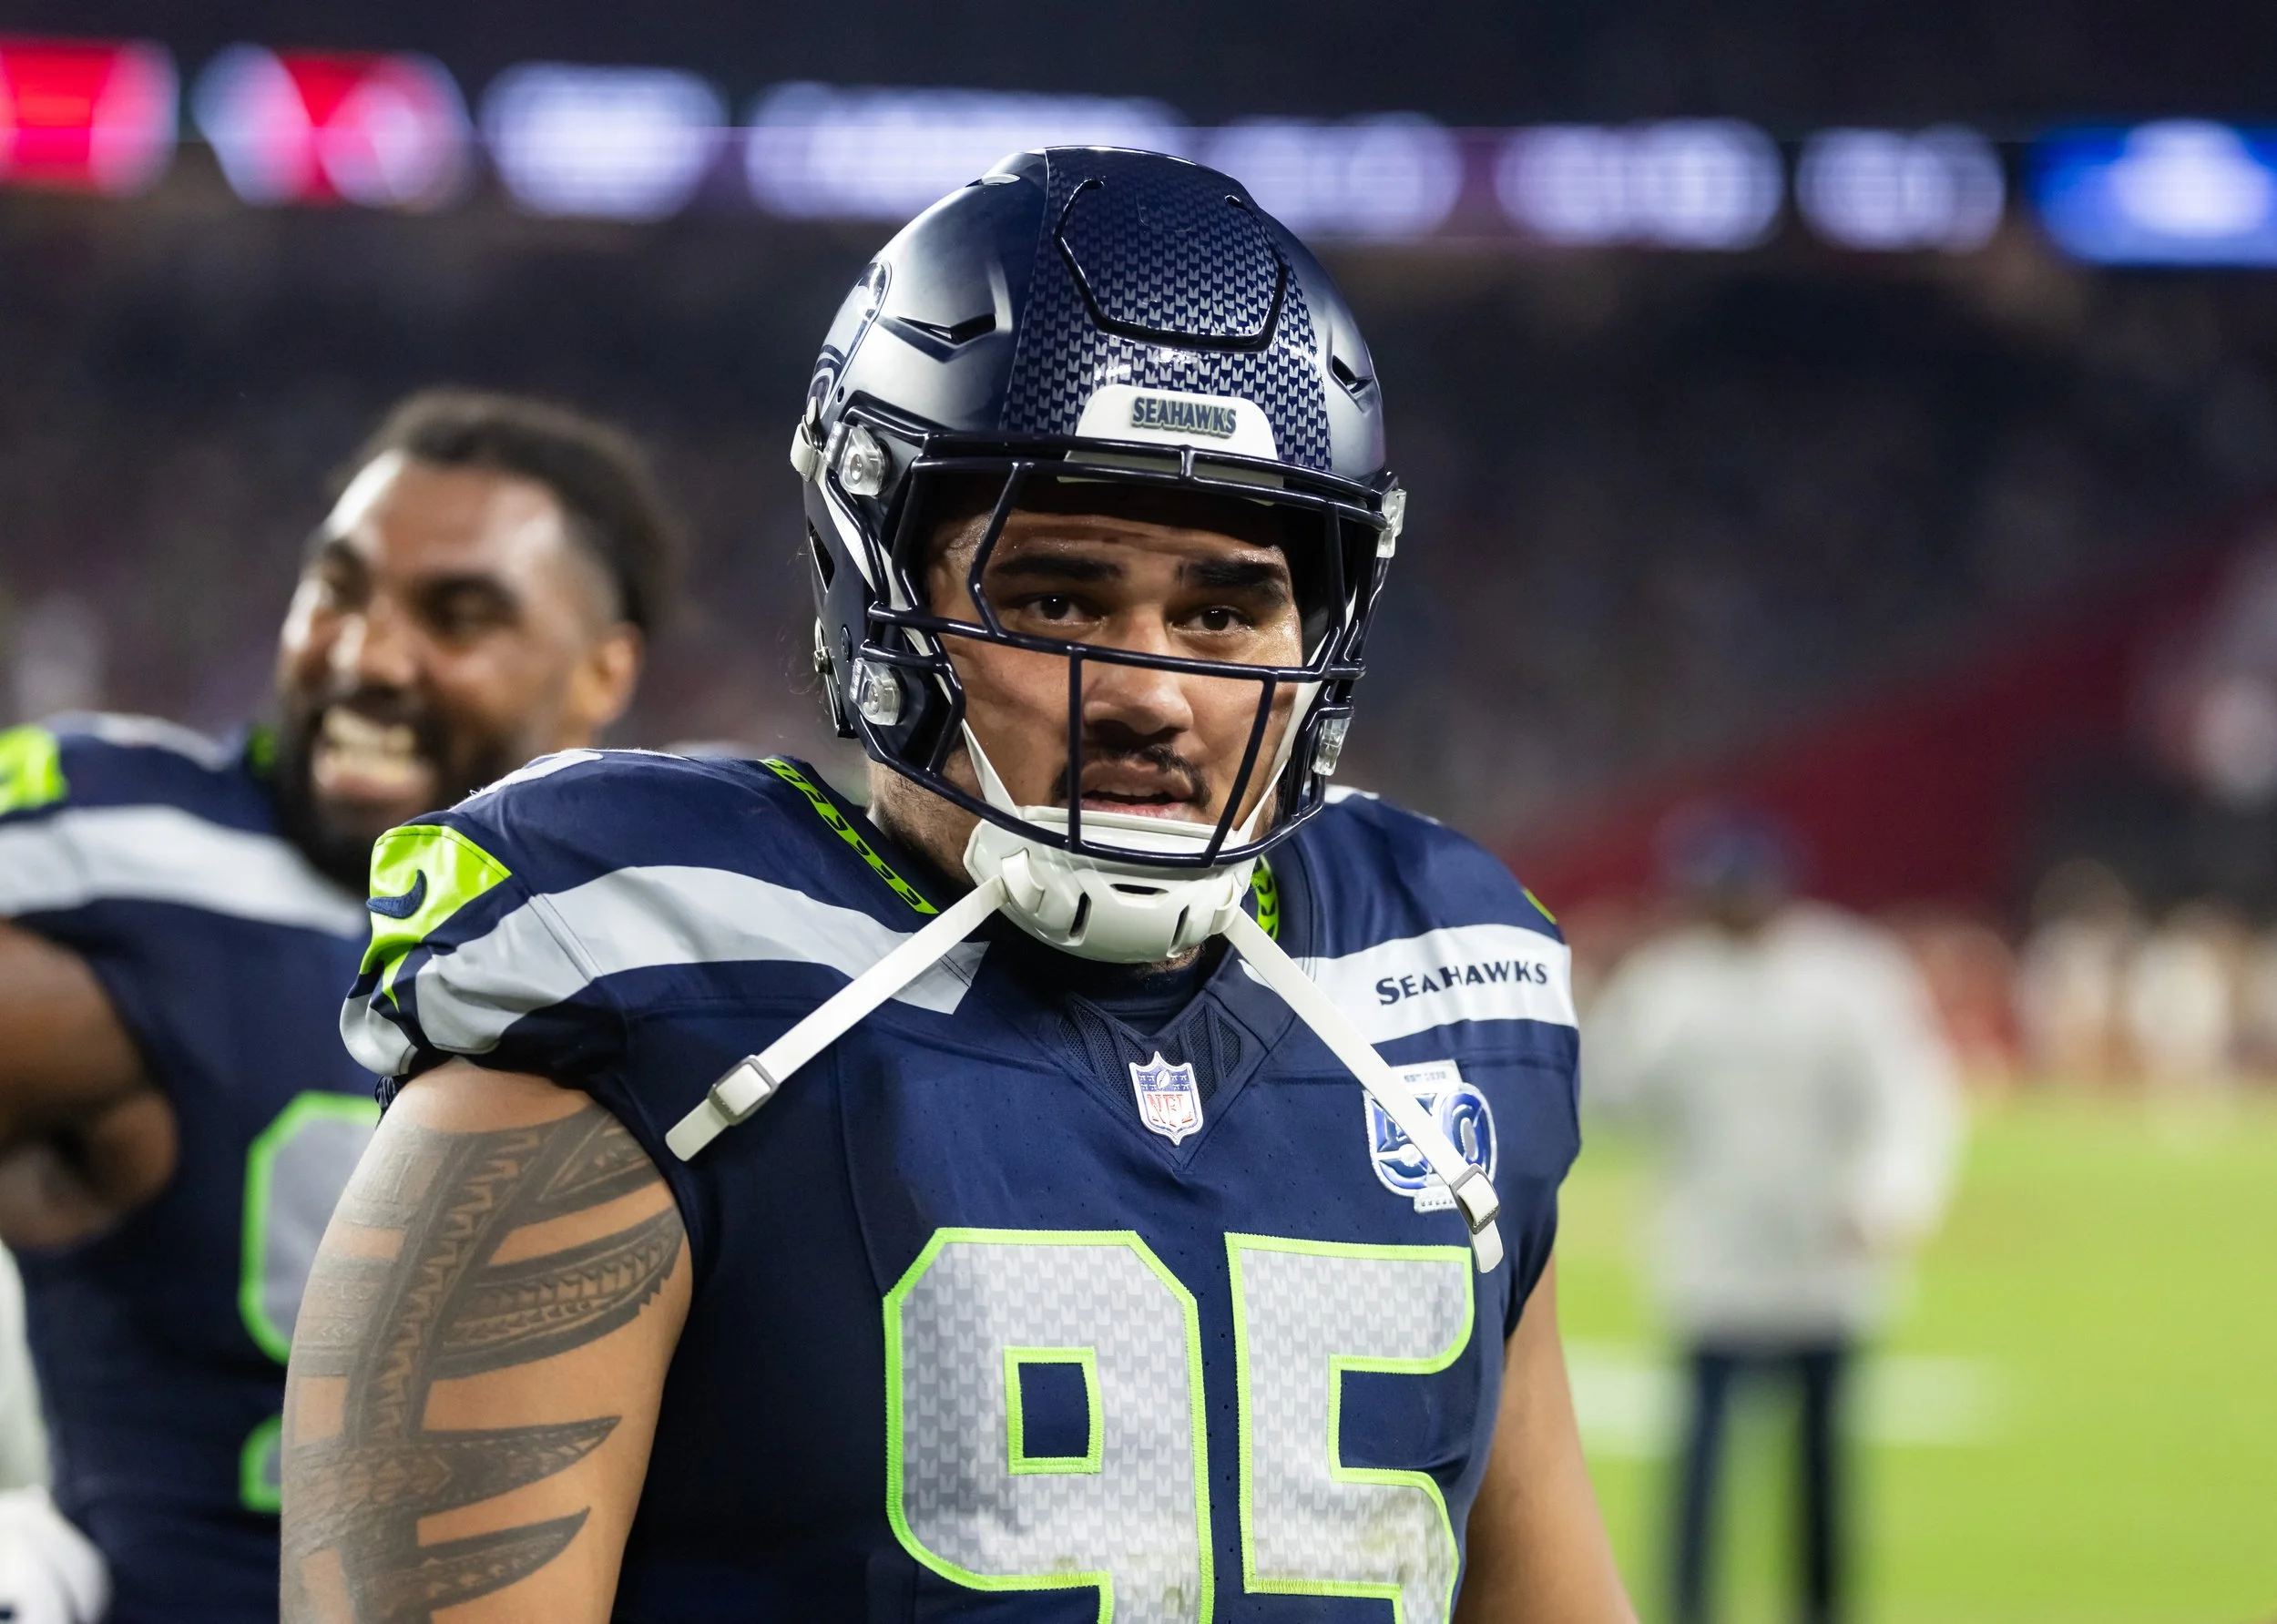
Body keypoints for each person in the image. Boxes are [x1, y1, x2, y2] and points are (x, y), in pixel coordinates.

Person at [286, 148, 1636, 1624]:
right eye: (1056, 596)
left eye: (1223, 611)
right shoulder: (644, 969)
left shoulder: (1433, 974)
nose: (1153, 694)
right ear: (878, 595)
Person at [0, 388, 675, 1624]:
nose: (365, 656)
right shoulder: (133, 881)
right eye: (337, 590)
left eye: (458, 617)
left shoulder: (676, 932)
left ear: (602, 671)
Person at [1585, 808, 1961, 1624]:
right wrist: (1603, 1005)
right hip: (1713, 1256)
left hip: (1824, 1255)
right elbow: (1610, 1098)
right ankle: (1686, 1606)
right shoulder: (1668, 983)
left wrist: (1891, 1195)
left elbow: (1910, 1097)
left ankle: (1820, 1606)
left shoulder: (1848, 974)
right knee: (1701, 1460)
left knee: (1821, 1465)